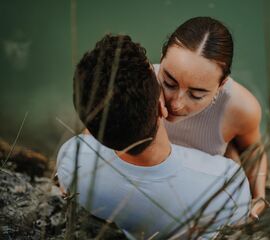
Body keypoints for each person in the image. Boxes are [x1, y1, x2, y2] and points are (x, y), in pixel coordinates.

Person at [56, 34, 251, 239]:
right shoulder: (227, 184)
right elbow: (238, 225)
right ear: (161, 106)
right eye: (165, 81)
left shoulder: (71, 160)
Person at [154, 16, 268, 220]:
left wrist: (259, 197)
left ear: (222, 84)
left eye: (196, 95)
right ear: (161, 60)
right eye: (169, 83)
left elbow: (253, 150)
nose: (176, 104)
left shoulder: (241, 108)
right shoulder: (140, 83)